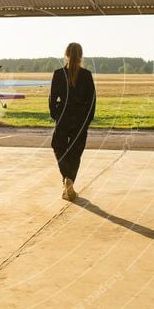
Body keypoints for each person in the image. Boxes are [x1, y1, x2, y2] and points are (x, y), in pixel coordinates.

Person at [49, 42, 96, 201]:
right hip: (80, 117)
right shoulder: (87, 75)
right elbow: (92, 101)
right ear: (81, 56)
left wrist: (56, 114)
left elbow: (52, 98)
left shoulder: (58, 74)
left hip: (63, 115)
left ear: (66, 55)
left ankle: (66, 178)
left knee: (58, 146)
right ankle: (69, 181)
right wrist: (87, 120)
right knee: (76, 151)